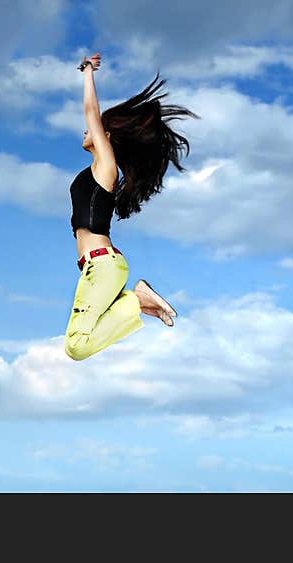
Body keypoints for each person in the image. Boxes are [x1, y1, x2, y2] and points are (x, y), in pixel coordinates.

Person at [64, 52, 197, 361]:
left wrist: (87, 73)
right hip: (93, 268)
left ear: (105, 137)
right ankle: (136, 301)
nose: (87, 131)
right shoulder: (94, 171)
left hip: (103, 265)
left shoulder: (107, 166)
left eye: (94, 129)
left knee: (76, 346)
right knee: (76, 345)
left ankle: (136, 300)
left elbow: (90, 112)